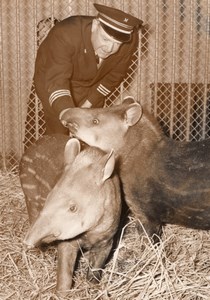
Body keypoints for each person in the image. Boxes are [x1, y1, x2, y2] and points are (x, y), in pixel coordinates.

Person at [32, 3, 143, 135]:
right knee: (59, 133)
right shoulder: (65, 33)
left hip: (92, 82)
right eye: (105, 39)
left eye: (117, 44)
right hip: (53, 79)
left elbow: (114, 76)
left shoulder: (129, 39)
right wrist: (70, 116)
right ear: (95, 26)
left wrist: (88, 105)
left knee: (92, 130)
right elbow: (57, 81)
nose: (109, 48)